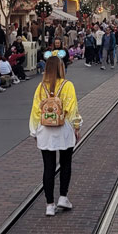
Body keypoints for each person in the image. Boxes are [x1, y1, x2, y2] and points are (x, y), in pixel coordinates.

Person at [29, 55, 82, 216]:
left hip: (45, 130)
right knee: (66, 163)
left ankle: (49, 204)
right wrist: (76, 126)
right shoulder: (67, 85)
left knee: (48, 167)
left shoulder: (40, 87)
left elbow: (35, 110)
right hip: (63, 128)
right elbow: (72, 108)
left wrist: (34, 130)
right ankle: (63, 197)